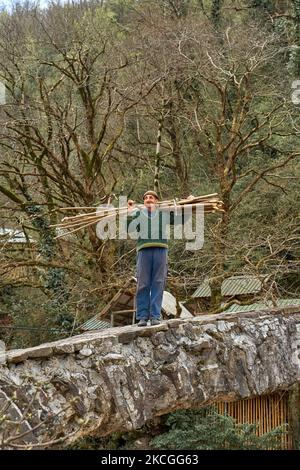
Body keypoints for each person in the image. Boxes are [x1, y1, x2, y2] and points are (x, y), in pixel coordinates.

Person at [127, 190, 191, 327]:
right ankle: (143, 317)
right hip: (143, 250)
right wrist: (130, 212)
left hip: (160, 249)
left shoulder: (163, 214)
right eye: (146, 198)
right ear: (144, 202)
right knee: (142, 283)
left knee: (158, 282)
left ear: (156, 200)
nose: (148, 199)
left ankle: (155, 316)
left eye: (151, 197)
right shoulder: (138, 214)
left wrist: (189, 204)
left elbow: (181, 219)